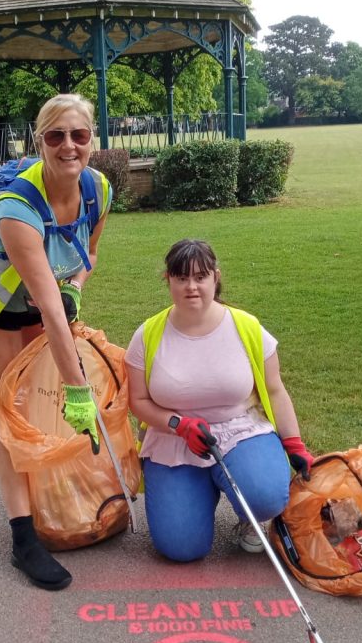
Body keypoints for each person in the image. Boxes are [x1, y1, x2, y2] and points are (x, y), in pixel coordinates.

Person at [0, 94, 112, 591]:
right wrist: (80, 391)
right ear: (39, 140)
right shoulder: (15, 210)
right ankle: (23, 539)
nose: (69, 146)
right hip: (1, 311)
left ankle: (48, 503)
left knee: (43, 408)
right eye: (55, 136)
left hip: (45, 302)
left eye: (79, 135)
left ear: (93, 138)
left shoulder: (98, 189)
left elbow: (87, 255)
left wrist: (75, 290)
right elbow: (44, 306)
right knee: (14, 416)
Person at [124, 239, 313, 562]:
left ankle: (247, 515)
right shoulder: (148, 334)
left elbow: (276, 389)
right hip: (175, 439)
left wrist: (294, 444)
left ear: (216, 278)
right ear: (168, 280)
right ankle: (201, 489)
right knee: (181, 549)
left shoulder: (246, 327)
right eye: (181, 278)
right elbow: (137, 401)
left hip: (240, 430)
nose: (191, 287)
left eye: (200, 277)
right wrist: (178, 424)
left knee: (266, 495)